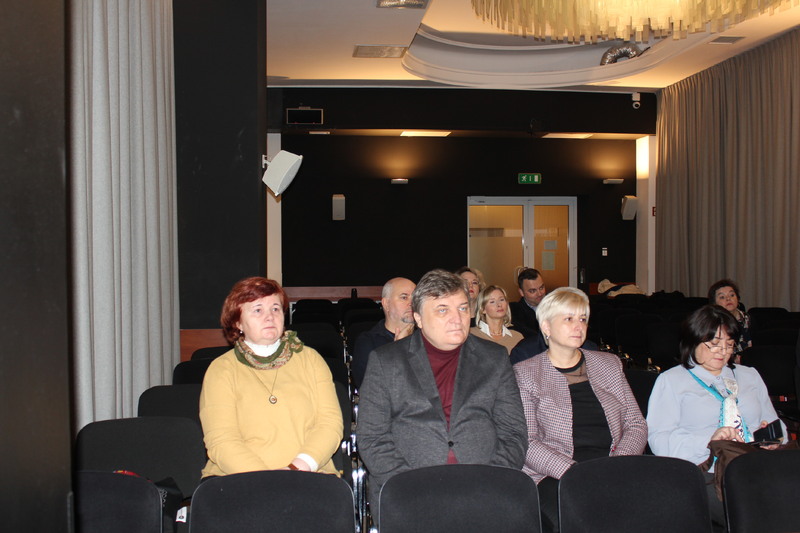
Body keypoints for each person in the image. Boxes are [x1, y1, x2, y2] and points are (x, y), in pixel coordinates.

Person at [357, 269, 527, 518]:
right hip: (409, 489)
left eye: (462, 308)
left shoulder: (494, 358)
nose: (457, 319)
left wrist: (491, 479)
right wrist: (411, 486)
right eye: (442, 310)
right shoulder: (386, 361)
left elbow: (513, 432)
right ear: (418, 318)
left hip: (485, 485)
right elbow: (372, 437)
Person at [513, 287, 647, 533]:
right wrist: (575, 472)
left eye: (582, 319)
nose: (578, 326)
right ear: (546, 326)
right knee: (587, 516)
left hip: (613, 464)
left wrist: (618, 463)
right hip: (556, 473)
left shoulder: (609, 364)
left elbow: (636, 424)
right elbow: (527, 442)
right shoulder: (526, 373)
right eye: (568, 319)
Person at [647, 304, 785, 530]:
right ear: (693, 341)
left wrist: (772, 439)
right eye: (714, 344)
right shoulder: (671, 381)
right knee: (758, 509)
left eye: (729, 345)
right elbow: (659, 440)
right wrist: (709, 440)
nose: (723, 352)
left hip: (757, 463)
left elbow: (775, 425)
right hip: (708, 470)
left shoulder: (749, 376)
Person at [199, 277, 343, 479]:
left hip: (308, 474)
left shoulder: (311, 360)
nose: (269, 317)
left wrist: (296, 469)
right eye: (258, 310)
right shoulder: (221, 369)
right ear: (238, 322)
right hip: (238, 478)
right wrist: (267, 480)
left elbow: (330, 424)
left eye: (275, 309)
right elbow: (221, 439)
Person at [351, 277, 416, 389]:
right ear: (386, 304)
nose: (412, 303)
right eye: (404, 297)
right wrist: (400, 350)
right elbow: (372, 390)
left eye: (415, 298)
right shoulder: (368, 342)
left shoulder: (428, 338)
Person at [470, 285, 524, 354]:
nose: (499, 305)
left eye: (502, 300)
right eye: (492, 302)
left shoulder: (517, 337)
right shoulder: (471, 335)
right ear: (483, 309)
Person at [708, 279, 751, 360]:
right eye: (722, 297)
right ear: (714, 303)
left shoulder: (748, 319)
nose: (728, 299)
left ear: (737, 298)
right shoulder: (711, 323)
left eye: (732, 295)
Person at [510, 268, 547, 338]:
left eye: (541, 288)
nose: (539, 294)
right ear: (521, 292)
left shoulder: (555, 305)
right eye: (533, 291)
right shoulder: (514, 313)